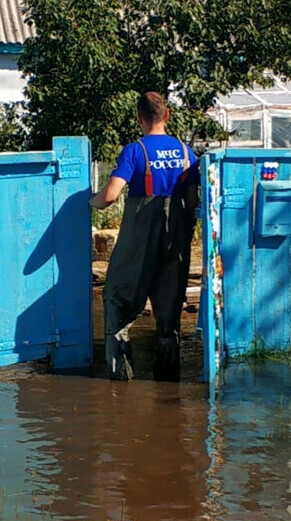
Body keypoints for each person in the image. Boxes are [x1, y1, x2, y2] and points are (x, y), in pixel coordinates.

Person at [90, 91, 200, 381]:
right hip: (174, 246)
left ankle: (120, 388)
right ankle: (169, 392)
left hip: (138, 246)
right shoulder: (187, 153)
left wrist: (89, 201)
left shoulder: (135, 150)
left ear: (140, 118)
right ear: (167, 116)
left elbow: (110, 196)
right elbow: (193, 200)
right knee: (168, 321)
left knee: (117, 305)